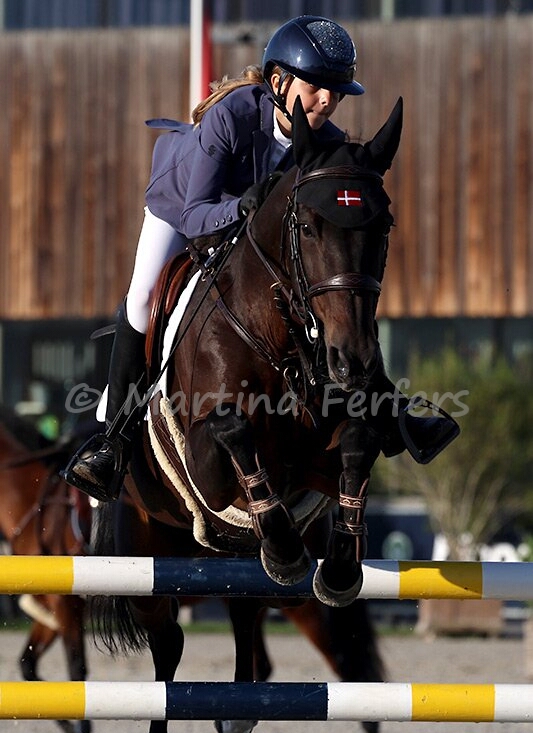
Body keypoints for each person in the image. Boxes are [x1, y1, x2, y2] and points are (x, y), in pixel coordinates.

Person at [63, 15, 458, 503]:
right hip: (184, 209)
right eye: (317, 88)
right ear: (278, 81)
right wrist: (244, 208)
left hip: (249, 228)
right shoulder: (232, 116)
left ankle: (392, 413)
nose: (328, 101)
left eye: (337, 92)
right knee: (144, 298)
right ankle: (114, 441)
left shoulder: (328, 144)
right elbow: (196, 215)